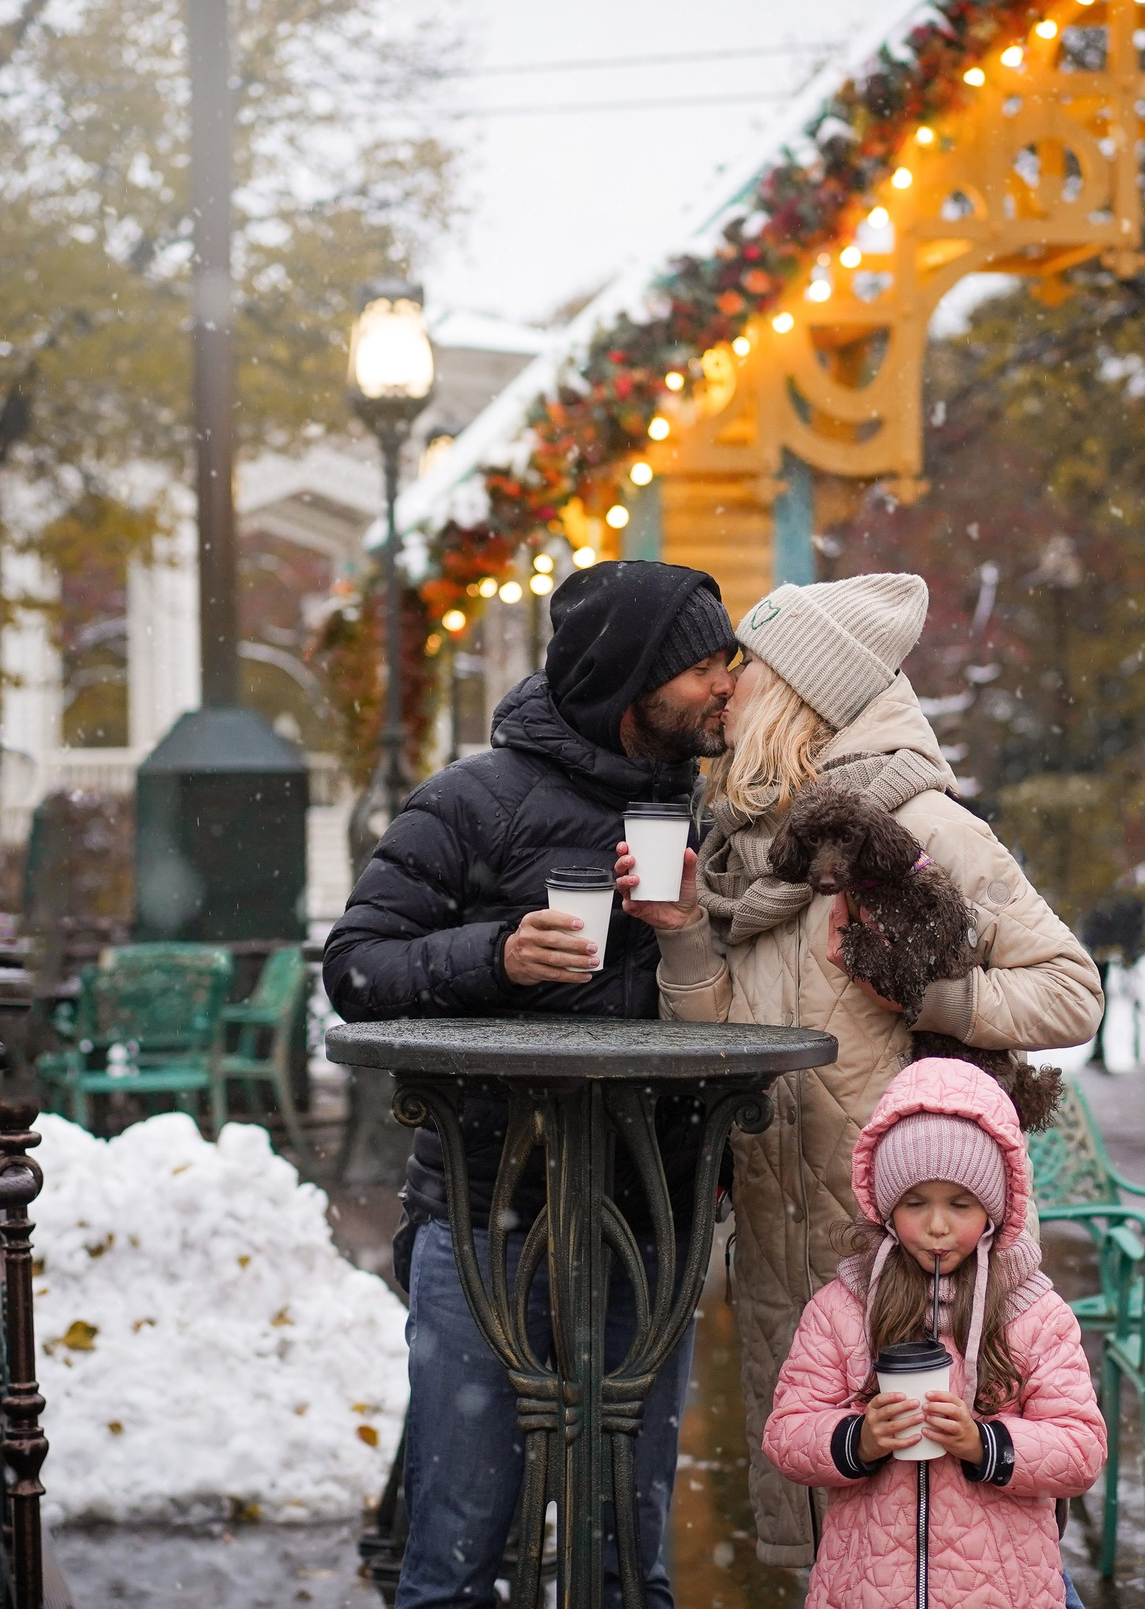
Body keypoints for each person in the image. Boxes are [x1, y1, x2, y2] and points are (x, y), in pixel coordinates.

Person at [618, 572, 1103, 1566]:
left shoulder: (919, 829)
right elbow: (716, 1049)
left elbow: (1069, 990)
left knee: (945, 1544)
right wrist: (681, 937)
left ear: (802, 694)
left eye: (748, 667)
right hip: (780, 1245)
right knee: (833, 1547)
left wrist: (917, 994)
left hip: (917, 1252)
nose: (727, 689)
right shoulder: (749, 853)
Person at [325, 558, 738, 1609]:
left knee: (621, 1565)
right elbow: (358, 966)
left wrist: (686, 933)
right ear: (626, 682)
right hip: (485, 1222)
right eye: (700, 666)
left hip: (647, 1227)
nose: (724, 683)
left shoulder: (713, 818)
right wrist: (496, 957)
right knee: (456, 1553)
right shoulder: (473, 800)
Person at [761, 1055, 1105, 1607]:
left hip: (1002, 1586)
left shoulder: (1031, 1312)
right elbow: (787, 1432)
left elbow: (1082, 1447)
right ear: (886, 1205)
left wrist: (984, 1444)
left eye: (961, 1204)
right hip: (868, 1585)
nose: (938, 1225)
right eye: (915, 1203)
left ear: (994, 1209)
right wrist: (858, 1439)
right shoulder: (843, 1309)